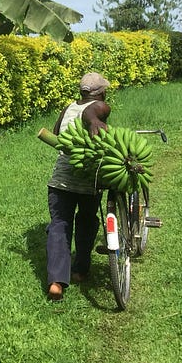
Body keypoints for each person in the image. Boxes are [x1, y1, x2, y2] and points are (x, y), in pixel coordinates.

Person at [46, 72, 111, 301]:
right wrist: (93, 121)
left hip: (60, 180)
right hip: (87, 180)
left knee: (59, 225)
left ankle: (56, 281)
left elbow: (55, 135)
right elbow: (91, 112)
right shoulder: (100, 106)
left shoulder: (67, 108)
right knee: (86, 220)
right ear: (100, 93)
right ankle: (80, 270)